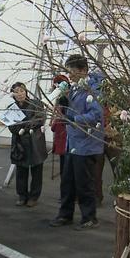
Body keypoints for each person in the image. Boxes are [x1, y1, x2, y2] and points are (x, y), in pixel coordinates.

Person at [50, 54, 104, 230]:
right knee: (67, 182)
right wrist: (64, 100)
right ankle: (65, 215)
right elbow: (69, 109)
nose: (70, 75)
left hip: (86, 144)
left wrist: (73, 118)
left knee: (84, 184)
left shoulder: (93, 89)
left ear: (84, 71)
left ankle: (89, 217)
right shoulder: (75, 88)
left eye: (72, 71)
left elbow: (96, 115)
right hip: (72, 143)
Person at [8, 82, 48, 207]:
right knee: (21, 170)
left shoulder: (36, 104)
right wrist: (20, 129)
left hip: (34, 141)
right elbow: (11, 126)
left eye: (22, 91)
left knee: (36, 171)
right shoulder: (11, 108)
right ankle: (22, 196)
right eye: (16, 91)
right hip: (20, 143)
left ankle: (34, 197)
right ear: (13, 94)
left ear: (26, 92)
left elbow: (39, 120)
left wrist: (23, 128)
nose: (20, 94)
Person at [50, 75, 69, 203]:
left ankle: (67, 195)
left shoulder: (65, 102)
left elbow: (57, 122)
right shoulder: (59, 102)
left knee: (67, 171)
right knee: (64, 170)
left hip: (66, 140)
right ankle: (65, 195)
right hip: (61, 140)